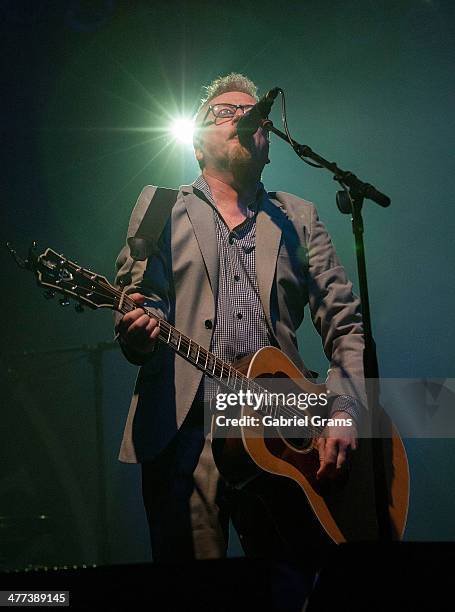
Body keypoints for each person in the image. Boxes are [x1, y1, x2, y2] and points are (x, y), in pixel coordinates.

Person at [114, 73, 368, 566]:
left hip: (286, 431)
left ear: (268, 143)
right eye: (224, 113)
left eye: (253, 116)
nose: (242, 119)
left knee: (293, 584)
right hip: (188, 427)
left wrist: (344, 411)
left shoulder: (299, 217)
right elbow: (140, 300)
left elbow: (345, 322)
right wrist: (138, 331)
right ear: (197, 143)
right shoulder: (161, 205)